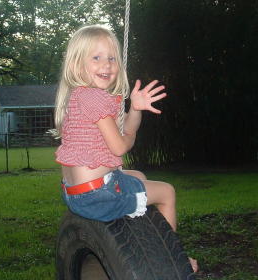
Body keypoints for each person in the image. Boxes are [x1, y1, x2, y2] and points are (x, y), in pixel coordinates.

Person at [54, 25, 198, 272]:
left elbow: (122, 133)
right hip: (99, 195)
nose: (107, 65)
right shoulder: (95, 98)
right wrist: (129, 132)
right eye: (97, 58)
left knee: (139, 177)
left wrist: (136, 109)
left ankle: (138, 234)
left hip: (75, 195)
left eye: (112, 58)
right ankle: (172, 261)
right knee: (167, 192)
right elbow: (121, 145)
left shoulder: (78, 97)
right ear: (78, 65)